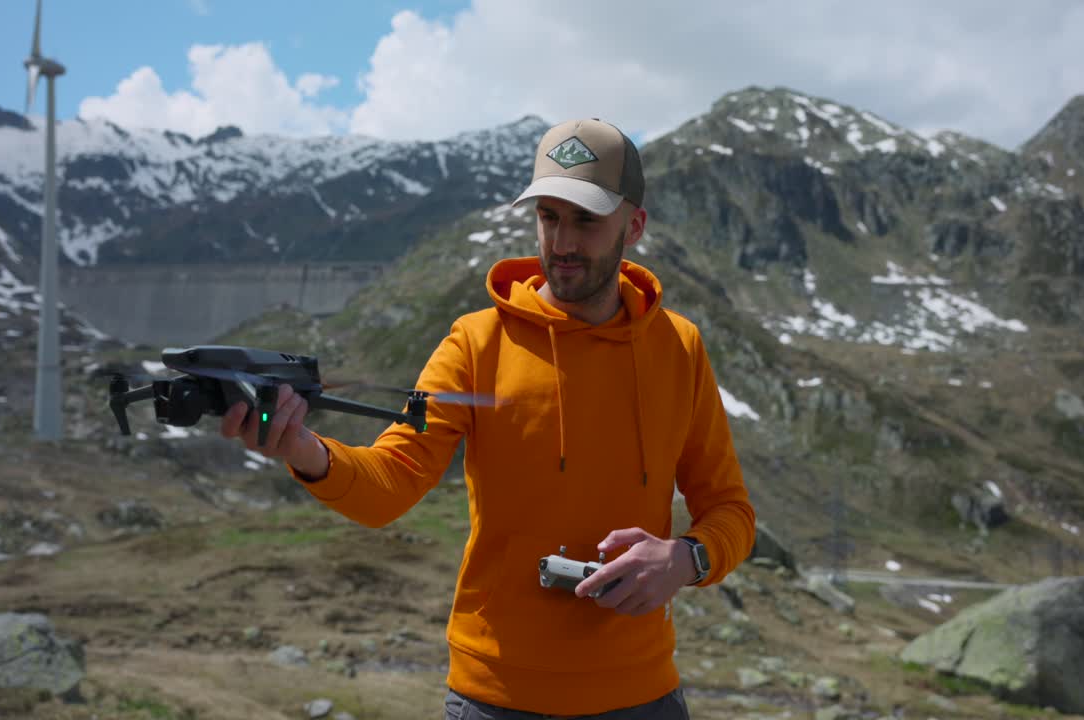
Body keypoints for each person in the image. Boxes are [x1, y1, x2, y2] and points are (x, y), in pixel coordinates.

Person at [221, 118, 756, 718]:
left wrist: (686, 559)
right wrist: (303, 450)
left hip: (640, 696)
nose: (563, 243)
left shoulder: (679, 348)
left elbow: (731, 511)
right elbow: (391, 484)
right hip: (494, 700)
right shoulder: (475, 343)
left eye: (586, 220)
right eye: (549, 217)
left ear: (633, 226)